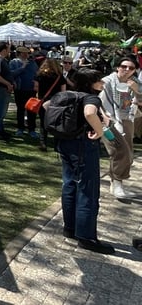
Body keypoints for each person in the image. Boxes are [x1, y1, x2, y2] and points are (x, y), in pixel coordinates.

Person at [53, 68, 115, 254]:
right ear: (90, 83)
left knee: (70, 184)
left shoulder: (67, 95)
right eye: (99, 81)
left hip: (64, 142)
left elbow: (48, 105)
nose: (103, 84)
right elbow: (89, 113)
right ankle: (87, 237)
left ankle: (70, 228)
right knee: (88, 188)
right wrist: (100, 130)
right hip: (82, 145)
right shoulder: (91, 98)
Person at [99, 56, 140, 199]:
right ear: (118, 67)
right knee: (118, 150)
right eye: (124, 66)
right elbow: (98, 101)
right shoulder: (107, 82)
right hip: (109, 120)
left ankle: (117, 182)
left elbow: (139, 102)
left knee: (127, 152)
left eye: (131, 68)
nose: (127, 70)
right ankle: (117, 184)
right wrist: (105, 117)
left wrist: (136, 91)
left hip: (127, 119)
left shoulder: (135, 83)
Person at [34, 59, 67, 152]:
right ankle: (57, 145)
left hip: (42, 101)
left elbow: (36, 87)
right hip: (56, 102)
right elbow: (63, 91)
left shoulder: (39, 75)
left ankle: (43, 142)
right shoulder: (59, 77)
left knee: (43, 123)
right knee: (56, 123)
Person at [10, 46, 39, 138]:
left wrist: (36, 83)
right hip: (20, 89)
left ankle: (32, 129)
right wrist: (23, 67)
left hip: (31, 90)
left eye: (27, 53)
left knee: (31, 110)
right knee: (20, 109)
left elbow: (36, 74)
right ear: (19, 53)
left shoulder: (32, 63)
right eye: (24, 53)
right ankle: (20, 128)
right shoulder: (14, 62)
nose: (26, 55)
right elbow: (12, 74)